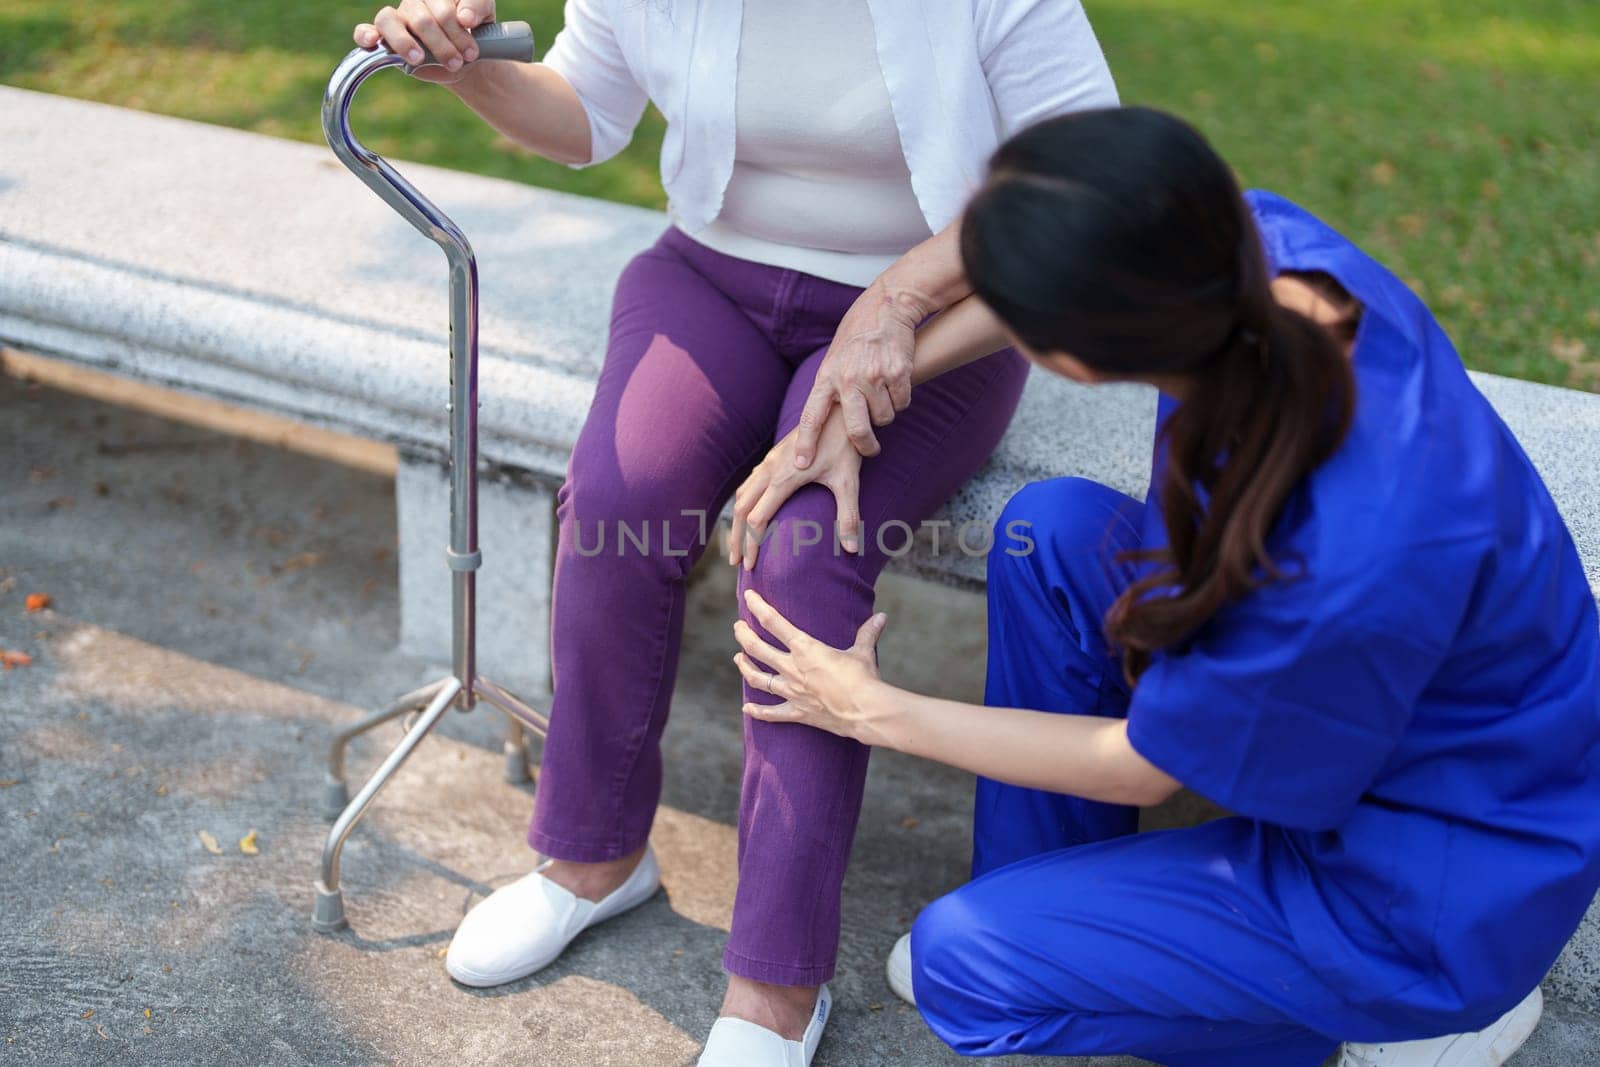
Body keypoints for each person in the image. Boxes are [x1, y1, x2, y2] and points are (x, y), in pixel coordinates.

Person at [730, 107, 1600, 1066]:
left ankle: (1377, 1029)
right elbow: (1012, 250)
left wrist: (871, 708)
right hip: (1403, 721)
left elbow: (1144, 763)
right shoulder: (1247, 253)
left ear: (1077, 359)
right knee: (1048, 533)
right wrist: (848, 393)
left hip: (1438, 878)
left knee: (960, 967)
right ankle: (1061, 912)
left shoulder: (1342, 552)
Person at [351, 1, 1117, 1061]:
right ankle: (591, 856)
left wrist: (895, 305)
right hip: (710, 275)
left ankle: (776, 980)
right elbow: (585, 117)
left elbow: (1087, 181)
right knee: (619, 501)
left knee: (802, 554)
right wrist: (466, 70)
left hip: (937, 316)